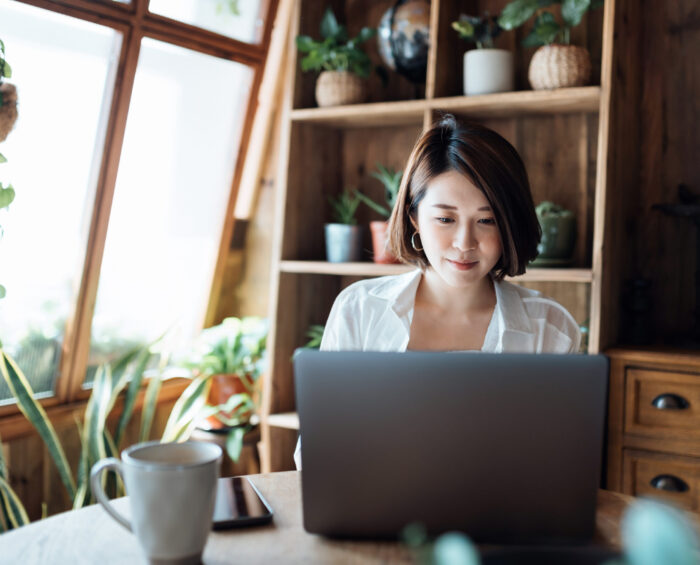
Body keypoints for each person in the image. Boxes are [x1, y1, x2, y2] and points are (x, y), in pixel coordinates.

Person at [294, 115, 581, 469]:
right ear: (414, 217)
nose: (465, 243)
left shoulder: (550, 329)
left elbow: (559, 466)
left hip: (498, 521)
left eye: (487, 220)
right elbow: (315, 454)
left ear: (510, 223)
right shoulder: (360, 309)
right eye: (445, 219)